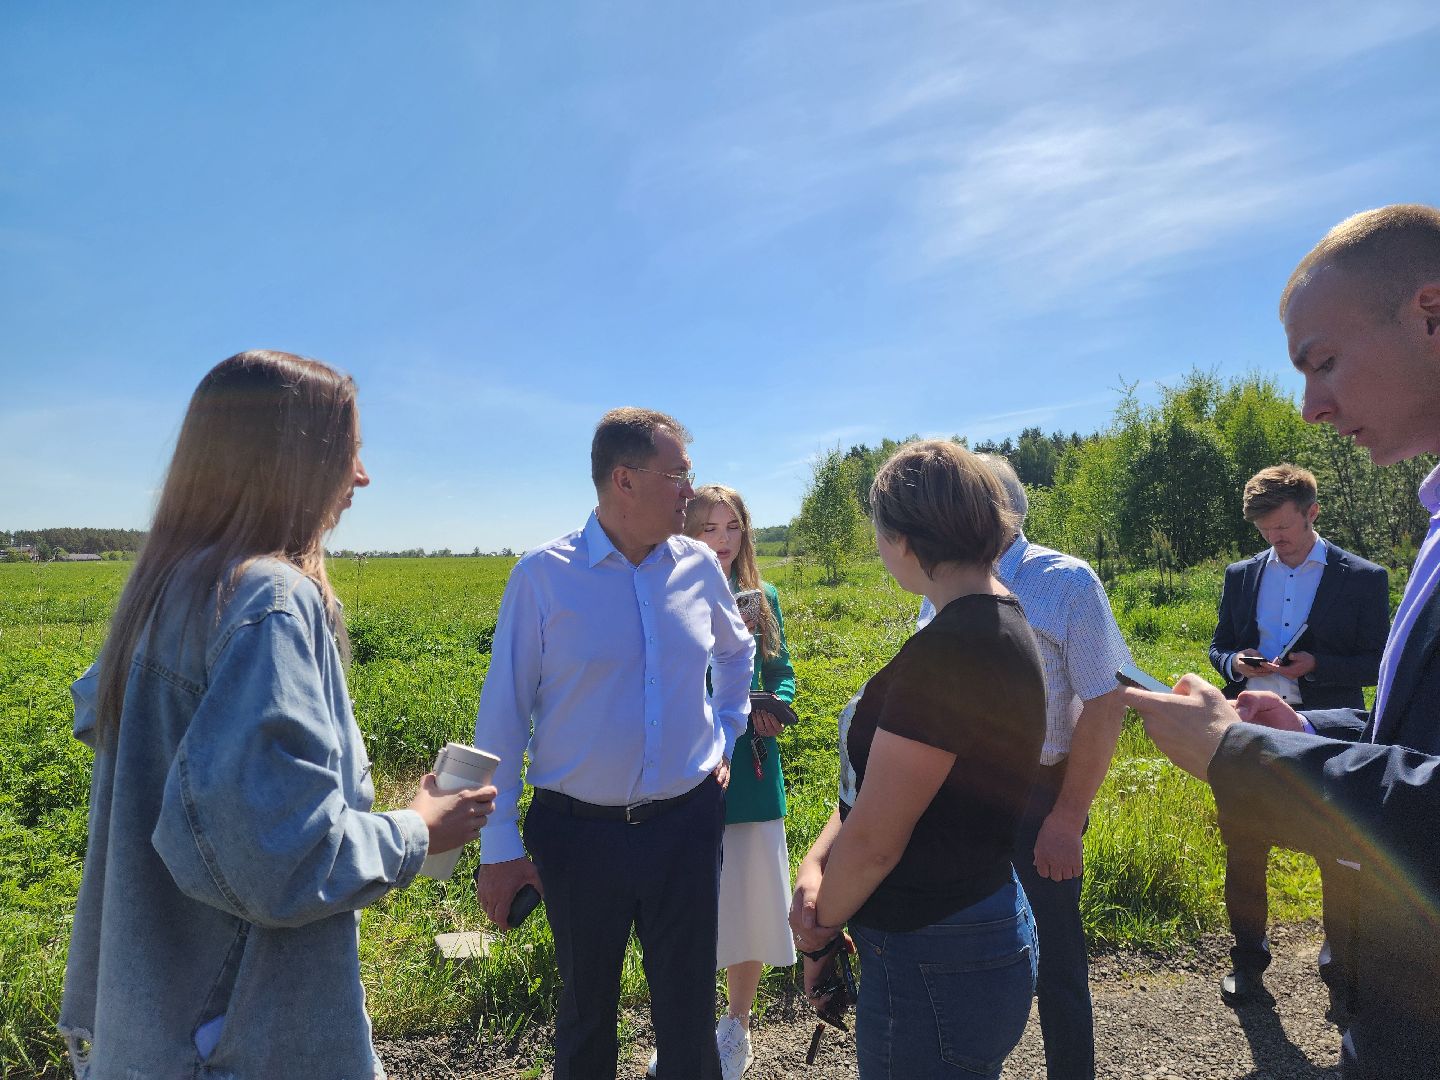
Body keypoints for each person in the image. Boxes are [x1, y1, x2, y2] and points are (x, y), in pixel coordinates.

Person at [59, 351, 497, 1080]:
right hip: (238, 1041)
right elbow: (280, 860)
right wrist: (419, 829)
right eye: (349, 450)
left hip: (150, 1026)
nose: (362, 476)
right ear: (295, 459)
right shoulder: (269, 600)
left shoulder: (165, 590)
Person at [1123, 203, 1440, 1079]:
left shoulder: (1369, 569)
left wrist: (1246, 753)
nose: (1310, 407)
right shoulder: (1433, 525)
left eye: (1324, 362)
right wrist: (1293, 730)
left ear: (1431, 312)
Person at [472, 408, 755, 1080]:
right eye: (677, 475)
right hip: (578, 837)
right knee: (586, 1017)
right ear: (624, 480)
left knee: (689, 1016)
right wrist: (498, 845)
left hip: (686, 826)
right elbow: (503, 714)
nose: (690, 491)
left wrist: (726, 731)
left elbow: (736, 653)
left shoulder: (697, 567)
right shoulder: (543, 577)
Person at [791, 439, 1046, 1080]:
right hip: (973, 926)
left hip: (933, 952)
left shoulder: (952, 651)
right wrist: (818, 860)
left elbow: (877, 842)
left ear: (903, 539)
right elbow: (879, 792)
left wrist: (819, 934)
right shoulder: (994, 622)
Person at [916, 453, 1130, 1080]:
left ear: (996, 509)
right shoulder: (943, 583)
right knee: (969, 945)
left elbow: (1106, 701)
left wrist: (1067, 817)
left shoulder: (1066, 582)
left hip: (1041, 798)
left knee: (1057, 959)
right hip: (960, 797)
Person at [1208, 464, 1389, 1006]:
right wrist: (1235, 662)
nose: (1275, 539)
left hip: (1327, 733)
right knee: (1244, 849)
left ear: (1312, 513)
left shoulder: (1363, 578)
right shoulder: (1241, 575)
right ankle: (1248, 961)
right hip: (1251, 730)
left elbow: (1379, 663)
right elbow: (1218, 645)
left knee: (1340, 855)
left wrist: (1318, 666)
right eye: (1264, 530)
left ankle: (1342, 973)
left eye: (1283, 527)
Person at [659, 484, 797, 1080]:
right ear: (687, 532)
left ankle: (737, 1024)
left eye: (733, 527)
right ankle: (688, 1031)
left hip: (752, 770)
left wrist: (774, 705)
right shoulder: (667, 592)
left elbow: (780, 671)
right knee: (688, 907)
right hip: (688, 770)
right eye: (709, 528)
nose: (722, 540)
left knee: (749, 895)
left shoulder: (762, 598)